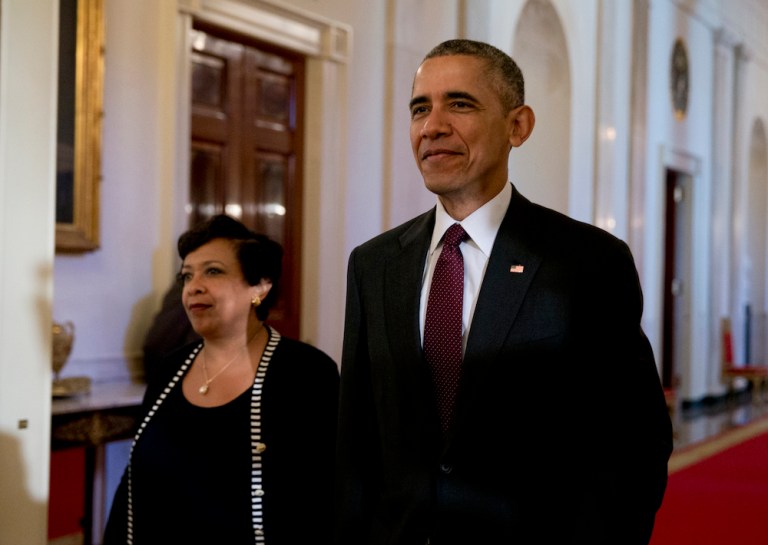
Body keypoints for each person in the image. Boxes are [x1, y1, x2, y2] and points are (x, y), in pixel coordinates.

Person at [335, 39, 673, 544]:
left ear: (519, 126)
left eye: (460, 103)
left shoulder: (587, 262)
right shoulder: (373, 264)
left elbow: (633, 444)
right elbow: (357, 439)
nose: (432, 126)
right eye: (420, 108)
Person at [104, 215, 339, 544]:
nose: (193, 286)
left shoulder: (305, 373)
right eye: (187, 276)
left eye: (213, 271)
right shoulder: (170, 369)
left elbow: (323, 500)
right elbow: (132, 487)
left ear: (260, 286)